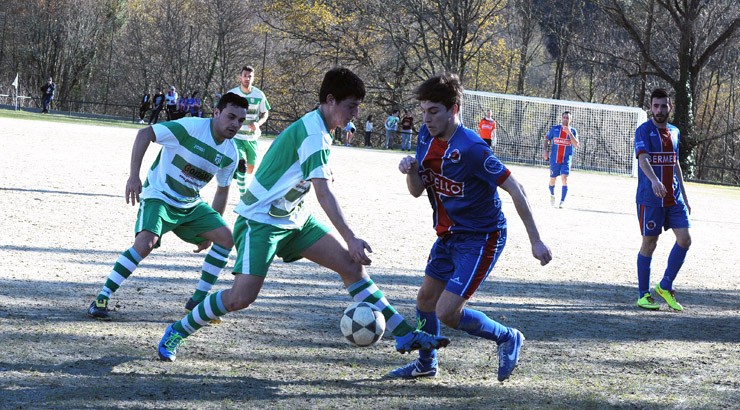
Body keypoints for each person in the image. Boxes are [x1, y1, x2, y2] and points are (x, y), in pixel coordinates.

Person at [156, 67, 450, 362]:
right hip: (261, 222)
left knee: (351, 267)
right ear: (331, 100)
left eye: (358, 106)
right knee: (239, 298)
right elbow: (324, 194)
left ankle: (405, 333)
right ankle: (177, 330)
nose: (356, 114)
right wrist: (351, 237)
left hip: (293, 219)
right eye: (351, 106)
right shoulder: (312, 133)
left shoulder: (320, 129)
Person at [391, 73, 552, 382]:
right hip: (448, 234)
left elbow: (516, 188)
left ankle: (507, 337)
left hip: (482, 237)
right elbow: (416, 190)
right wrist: (410, 169)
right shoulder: (426, 138)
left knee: (446, 312)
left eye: (434, 111)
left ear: (454, 109)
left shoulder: (472, 148)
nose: (426, 118)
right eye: (424, 111)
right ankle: (426, 363)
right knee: (425, 299)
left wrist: (536, 241)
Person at [87, 92, 249, 320]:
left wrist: (210, 232)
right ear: (216, 112)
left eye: (240, 121)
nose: (235, 124)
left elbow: (222, 191)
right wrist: (134, 176)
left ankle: (197, 302)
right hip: (160, 196)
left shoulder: (231, 154)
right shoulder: (190, 127)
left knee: (226, 238)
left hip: (190, 204)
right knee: (145, 244)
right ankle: (102, 297)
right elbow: (145, 134)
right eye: (231, 116)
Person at [634, 88, 692, 312]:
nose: (659, 110)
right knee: (650, 243)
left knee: (685, 239)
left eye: (663, 106)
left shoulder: (675, 132)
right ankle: (643, 295)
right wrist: (655, 181)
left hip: (674, 198)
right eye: (655, 106)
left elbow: (675, 163)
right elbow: (643, 160)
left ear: (670, 107)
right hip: (650, 199)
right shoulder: (643, 131)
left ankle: (665, 285)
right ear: (651, 107)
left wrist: (685, 196)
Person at [228, 65, 271, 195]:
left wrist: (258, 123)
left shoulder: (259, 95)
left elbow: (265, 113)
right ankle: (243, 195)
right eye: (245, 75)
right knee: (242, 163)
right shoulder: (233, 94)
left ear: (253, 78)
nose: (247, 78)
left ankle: (237, 172)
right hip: (236, 136)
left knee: (250, 169)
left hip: (252, 138)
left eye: (250, 76)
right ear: (240, 77)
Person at [543, 111, 579, 208]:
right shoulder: (555, 129)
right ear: (561, 118)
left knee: (564, 178)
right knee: (552, 180)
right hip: (555, 159)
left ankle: (562, 201)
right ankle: (552, 195)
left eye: (568, 118)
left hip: (566, 159)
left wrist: (569, 133)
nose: (565, 119)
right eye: (564, 117)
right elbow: (547, 139)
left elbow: (576, 145)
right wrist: (545, 150)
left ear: (571, 120)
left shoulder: (574, 131)